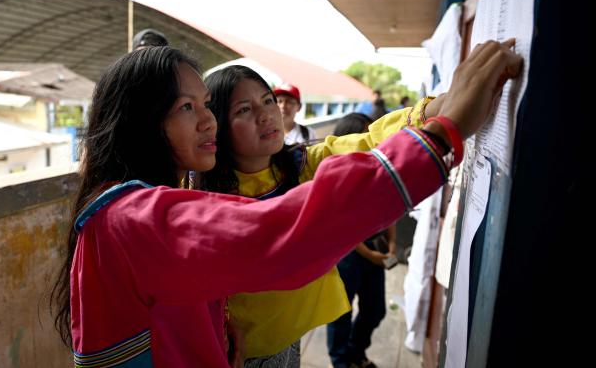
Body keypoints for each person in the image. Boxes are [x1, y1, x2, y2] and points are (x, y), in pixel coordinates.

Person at [51, 40, 521, 367]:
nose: (207, 122)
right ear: (141, 123)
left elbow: (355, 147)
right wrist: (443, 134)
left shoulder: (142, 205)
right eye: (186, 108)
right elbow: (276, 233)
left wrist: (217, 322)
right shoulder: (132, 217)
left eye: (205, 105)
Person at [326, 112, 395, 368]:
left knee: (375, 310)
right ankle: (342, 362)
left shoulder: (379, 168)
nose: (374, 141)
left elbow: (391, 209)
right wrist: (370, 254)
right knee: (341, 313)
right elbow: (341, 227)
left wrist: (392, 244)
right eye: (366, 135)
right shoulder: (336, 176)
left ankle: (356, 353)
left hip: (375, 253)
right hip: (348, 255)